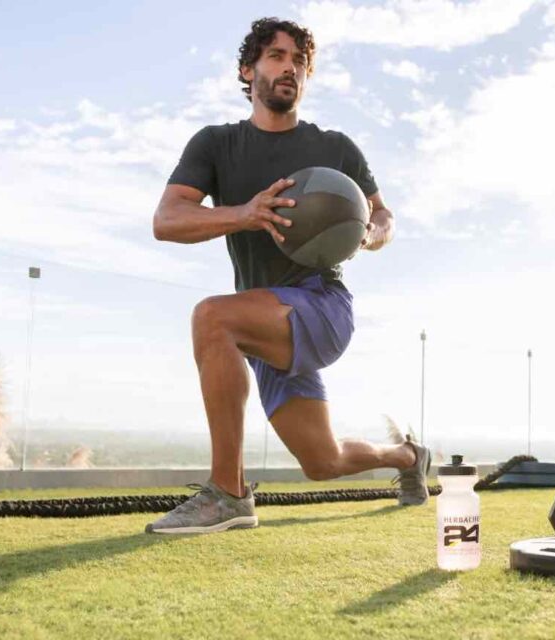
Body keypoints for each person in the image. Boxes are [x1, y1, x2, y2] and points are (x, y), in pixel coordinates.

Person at [147, 17, 430, 534]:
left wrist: (369, 233)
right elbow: (167, 220)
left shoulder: (336, 148)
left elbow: (384, 216)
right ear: (247, 70)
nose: (289, 68)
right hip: (262, 319)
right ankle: (408, 457)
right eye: (276, 56)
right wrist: (244, 213)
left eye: (299, 61)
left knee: (212, 318)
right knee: (323, 461)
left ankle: (228, 495)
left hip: (321, 305)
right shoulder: (216, 144)